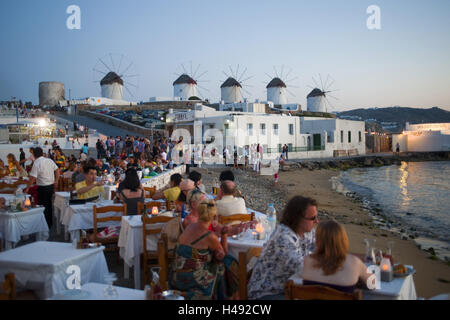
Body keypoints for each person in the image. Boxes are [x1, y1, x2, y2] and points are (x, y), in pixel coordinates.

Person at [248, 196, 318, 300]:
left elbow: (323, 250)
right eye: (312, 218)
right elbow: (302, 269)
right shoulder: (283, 238)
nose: (317, 221)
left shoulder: (307, 233)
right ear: (298, 218)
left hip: (286, 288)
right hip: (266, 293)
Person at [169, 199, 239, 300]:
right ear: (214, 217)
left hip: (176, 276)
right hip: (194, 281)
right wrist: (223, 234)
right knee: (228, 263)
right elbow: (223, 255)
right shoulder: (209, 236)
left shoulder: (189, 227)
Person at [301, 220, 375, 293]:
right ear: (343, 240)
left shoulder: (308, 260)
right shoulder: (354, 262)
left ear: (317, 240)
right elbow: (373, 284)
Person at [25, 147, 59, 228]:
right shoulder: (49, 160)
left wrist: (27, 188)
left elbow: (32, 178)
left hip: (42, 187)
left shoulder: (36, 163)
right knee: (49, 205)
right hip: (50, 186)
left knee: (42, 206)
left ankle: (44, 225)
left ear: (34, 154)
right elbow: (57, 170)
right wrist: (56, 181)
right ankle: (49, 223)